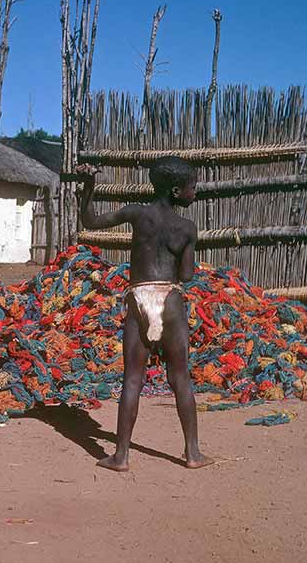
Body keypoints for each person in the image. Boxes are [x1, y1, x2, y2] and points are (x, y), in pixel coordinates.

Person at [77, 155, 213, 471]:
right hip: (171, 302)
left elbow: (90, 221)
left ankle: (121, 456)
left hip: (139, 298)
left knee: (132, 380)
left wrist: (89, 186)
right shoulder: (187, 228)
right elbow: (187, 275)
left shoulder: (137, 214)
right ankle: (193, 454)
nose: (195, 191)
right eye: (193, 187)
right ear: (177, 191)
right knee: (180, 377)